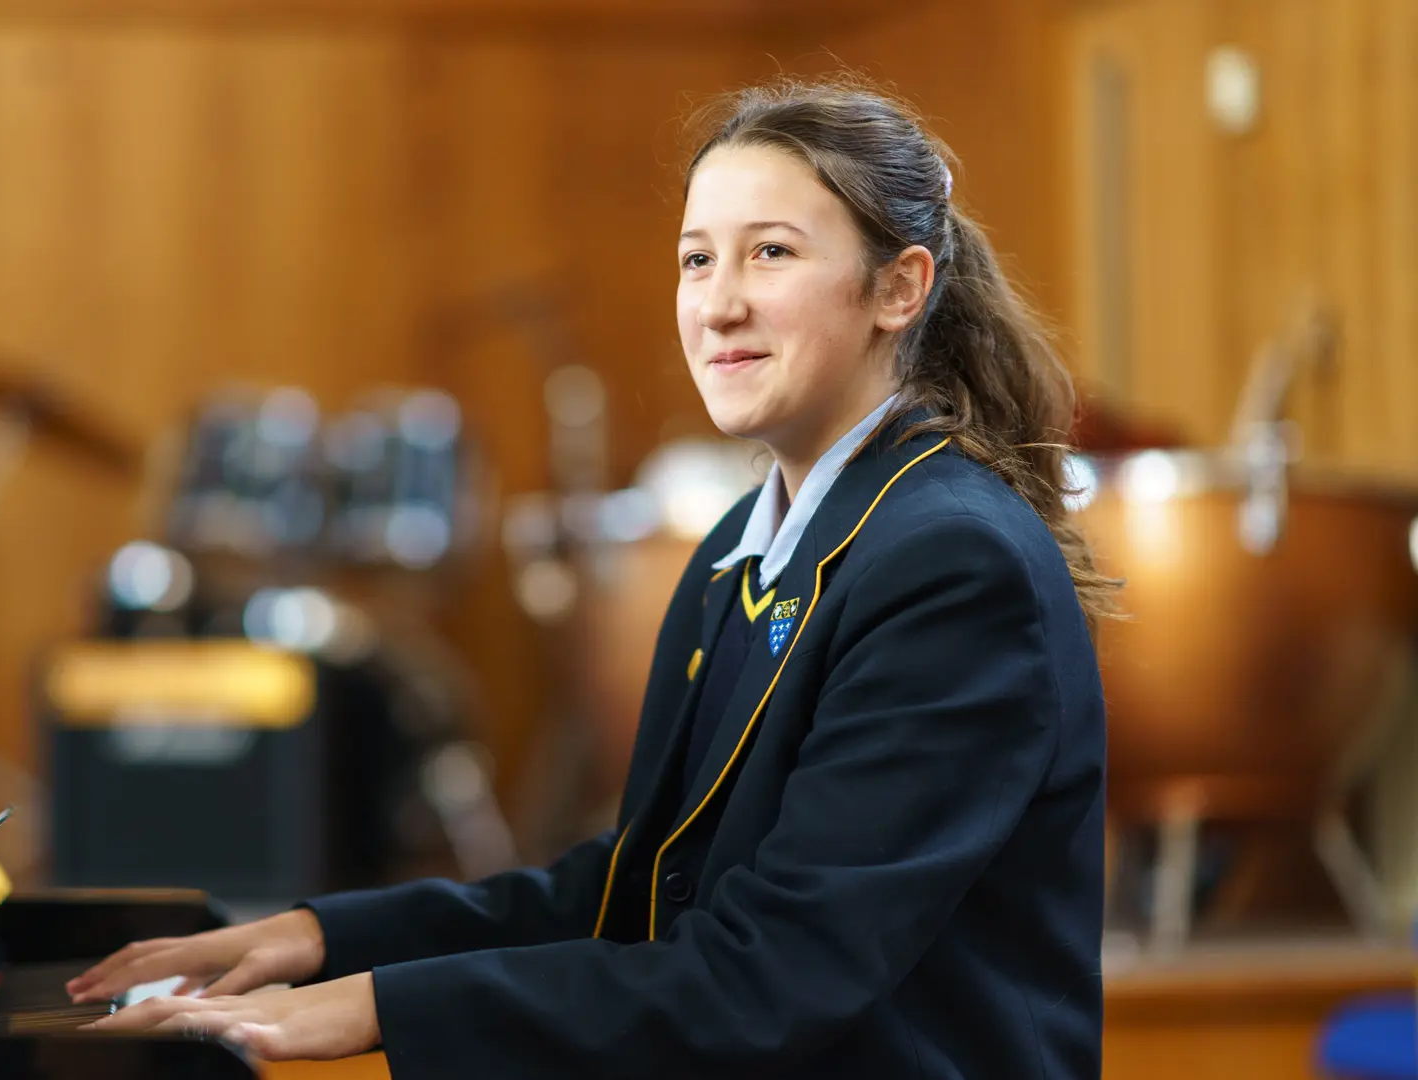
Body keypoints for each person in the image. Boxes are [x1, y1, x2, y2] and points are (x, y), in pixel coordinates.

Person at [67, 78, 1113, 1078]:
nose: (719, 304)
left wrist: (374, 1008)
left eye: (771, 253)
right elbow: (639, 888)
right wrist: (320, 939)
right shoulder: (741, 549)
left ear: (899, 287)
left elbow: (776, 973)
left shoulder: (949, 562)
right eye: (697, 260)